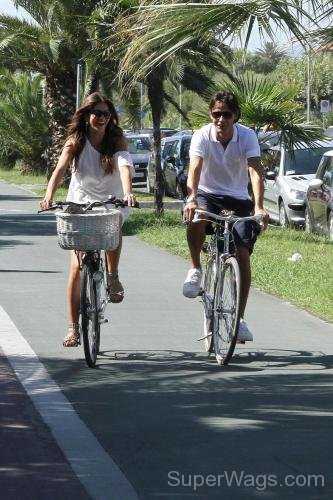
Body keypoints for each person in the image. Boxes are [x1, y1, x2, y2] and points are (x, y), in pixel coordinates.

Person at [40, 92, 136, 347]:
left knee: (113, 225)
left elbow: (125, 166)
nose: (101, 118)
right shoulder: (76, 141)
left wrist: (127, 193)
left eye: (106, 114)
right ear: (86, 116)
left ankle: (113, 275)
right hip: (79, 201)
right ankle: (72, 328)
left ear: (110, 117)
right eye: (96, 113)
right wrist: (49, 195)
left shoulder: (117, 140)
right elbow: (60, 169)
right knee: (75, 266)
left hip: (111, 199)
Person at [182, 90, 269, 342]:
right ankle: (195, 268)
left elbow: (255, 170)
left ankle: (239, 319)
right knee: (196, 216)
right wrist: (192, 198)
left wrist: (259, 206)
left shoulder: (247, 136)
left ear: (236, 116)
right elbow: (195, 168)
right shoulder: (202, 135)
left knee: (242, 255)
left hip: (238, 199)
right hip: (208, 194)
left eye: (226, 115)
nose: (221, 119)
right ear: (211, 114)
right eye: (216, 114)